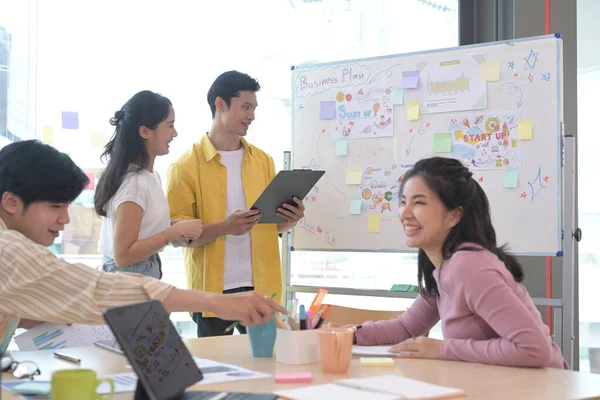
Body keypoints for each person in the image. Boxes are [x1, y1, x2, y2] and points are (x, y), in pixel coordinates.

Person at [0, 140, 287, 354]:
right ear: (11, 202)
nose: (64, 219)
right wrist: (217, 302)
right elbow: (101, 286)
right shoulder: (7, 249)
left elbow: (24, 305)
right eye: (54, 207)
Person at [334, 157, 568, 369]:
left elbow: (534, 350)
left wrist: (442, 349)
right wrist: (349, 334)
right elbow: (406, 328)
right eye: (403, 201)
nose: (405, 213)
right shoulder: (444, 266)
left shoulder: (469, 266)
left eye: (419, 203)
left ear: (455, 215)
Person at [166, 71, 305, 337]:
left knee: (267, 368)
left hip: (263, 289)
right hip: (211, 296)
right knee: (217, 372)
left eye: (253, 108)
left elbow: (269, 226)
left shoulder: (263, 161)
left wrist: (289, 220)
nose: (251, 116)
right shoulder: (184, 167)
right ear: (220, 104)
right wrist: (225, 227)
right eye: (245, 107)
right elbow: (177, 238)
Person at [94, 90, 203, 278]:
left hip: (142, 271)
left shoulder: (149, 176)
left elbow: (141, 231)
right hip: (128, 277)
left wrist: (175, 231)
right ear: (145, 131)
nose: (175, 133)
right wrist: (172, 231)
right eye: (169, 126)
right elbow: (123, 255)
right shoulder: (134, 184)